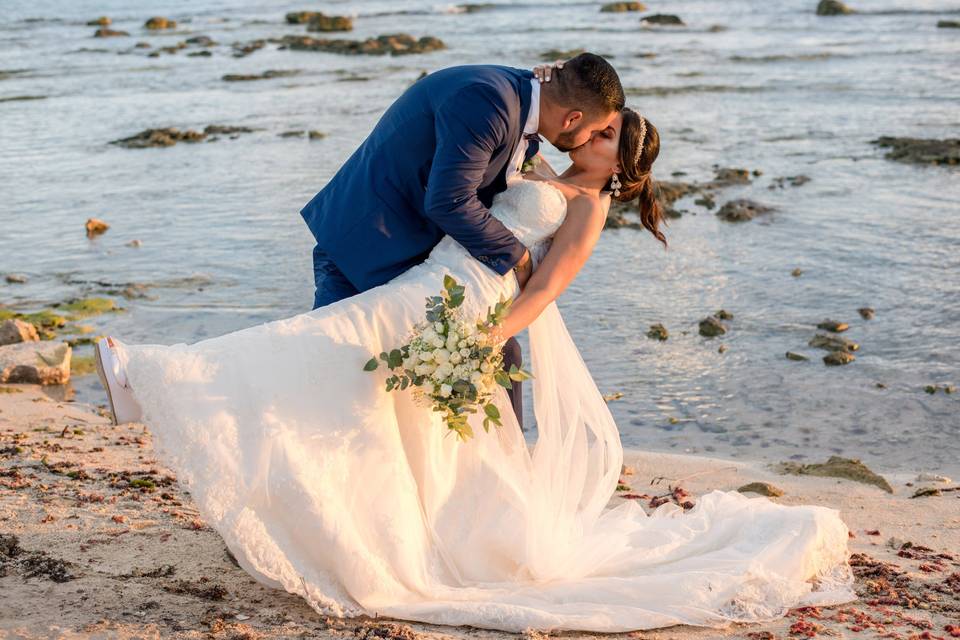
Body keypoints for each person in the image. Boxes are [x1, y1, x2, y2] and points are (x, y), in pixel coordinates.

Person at [93, 102, 857, 632]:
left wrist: (489, 341)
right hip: (432, 281)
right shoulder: (539, 166)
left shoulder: (586, 209)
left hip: (469, 303)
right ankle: (162, 388)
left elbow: (549, 288)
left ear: (616, 161)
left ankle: (151, 378)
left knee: (327, 341)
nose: (592, 128)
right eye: (599, 120)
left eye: (609, 131)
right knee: (337, 356)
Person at [300, 53, 625, 430]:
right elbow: (449, 201)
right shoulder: (490, 101)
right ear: (572, 119)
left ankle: (491, 471)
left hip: (416, 259)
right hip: (365, 247)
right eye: (594, 130)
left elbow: (533, 183)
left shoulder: (522, 103)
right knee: (328, 377)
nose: (587, 140)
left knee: (493, 359)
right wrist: (517, 257)